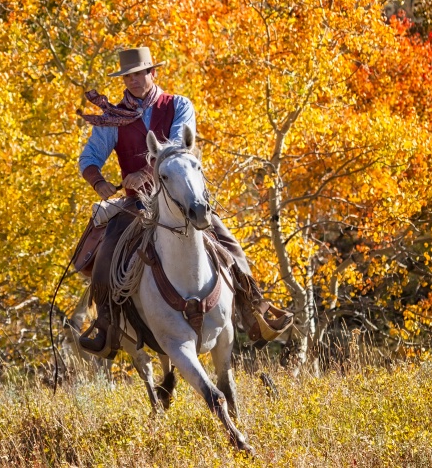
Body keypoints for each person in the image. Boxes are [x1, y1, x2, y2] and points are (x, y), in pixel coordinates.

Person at [77, 47, 291, 358]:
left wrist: (141, 172)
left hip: (180, 198)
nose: (134, 80)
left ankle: (254, 308)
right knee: (108, 250)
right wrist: (99, 181)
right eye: (128, 76)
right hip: (138, 204)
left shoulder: (178, 105)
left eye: (140, 73)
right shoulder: (113, 119)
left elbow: (177, 145)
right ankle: (106, 326)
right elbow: (89, 157)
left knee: (228, 241)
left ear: (154, 73)